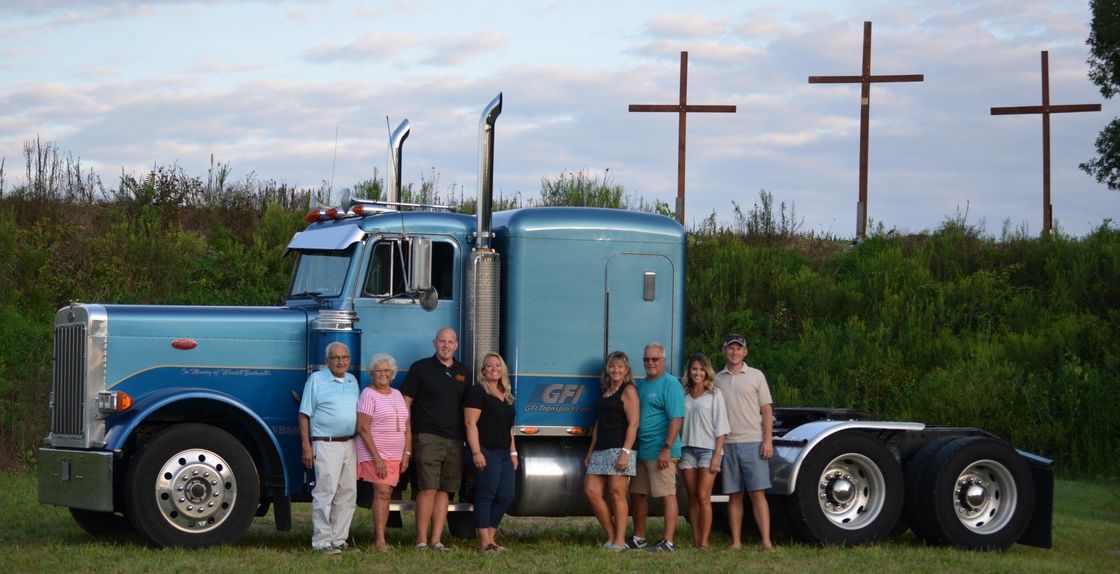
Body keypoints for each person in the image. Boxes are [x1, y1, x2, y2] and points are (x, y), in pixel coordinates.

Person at [401, 327, 469, 551]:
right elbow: (405, 403)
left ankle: (436, 540)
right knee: (427, 488)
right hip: (427, 437)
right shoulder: (420, 368)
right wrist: (407, 437)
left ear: (456, 345)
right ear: (434, 343)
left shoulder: (463, 372)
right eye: (442, 341)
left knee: (445, 491)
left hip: (455, 440)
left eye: (450, 342)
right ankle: (421, 540)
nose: (446, 345)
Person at [298, 341, 361, 554]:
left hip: (349, 443)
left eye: (344, 357)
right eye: (335, 357)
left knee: (347, 493)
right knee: (325, 492)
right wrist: (306, 445)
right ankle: (322, 542)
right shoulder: (316, 380)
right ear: (327, 361)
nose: (341, 361)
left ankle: (339, 539)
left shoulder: (352, 381)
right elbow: (304, 414)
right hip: (326, 444)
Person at [715, 333, 774, 550]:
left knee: (757, 493)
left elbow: (766, 410)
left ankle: (766, 541)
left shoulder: (756, 376)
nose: (735, 351)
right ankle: (736, 542)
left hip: (753, 442)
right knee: (734, 495)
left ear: (745, 352)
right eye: (731, 348)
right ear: (724, 351)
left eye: (739, 348)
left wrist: (767, 440)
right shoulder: (716, 379)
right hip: (728, 444)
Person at [628, 342, 686, 552]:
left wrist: (667, 448)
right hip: (642, 450)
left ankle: (668, 541)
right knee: (637, 493)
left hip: (662, 451)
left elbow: (677, 418)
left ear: (664, 361)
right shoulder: (641, 386)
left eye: (655, 359)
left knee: (667, 495)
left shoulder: (671, 384)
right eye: (646, 359)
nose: (650, 363)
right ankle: (639, 537)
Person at [583, 351, 640, 552]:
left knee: (617, 494)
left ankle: (620, 540)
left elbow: (633, 424)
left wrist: (625, 452)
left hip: (619, 448)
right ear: (607, 370)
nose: (616, 370)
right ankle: (611, 534)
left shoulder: (628, 390)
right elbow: (598, 425)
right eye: (612, 366)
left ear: (626, 370)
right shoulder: (605, 391)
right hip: (601, 449)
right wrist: (591, 451)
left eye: (620, 366)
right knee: (591, 490)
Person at [356, 353, 411, 552]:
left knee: (387, 494)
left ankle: (381, 538)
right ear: (371, 373)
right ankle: (379, 541)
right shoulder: (368, 394)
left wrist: (407, 454)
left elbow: (406, 426)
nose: (383, 374)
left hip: (396, 455)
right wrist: (377, 458)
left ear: (393, 374)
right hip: (375, 454)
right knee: (382, 492)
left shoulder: (397, 394)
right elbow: (362, 428)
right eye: (378, 370)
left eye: (387, 370)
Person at [464, 352, 518, 551]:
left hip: (504, 453)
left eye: (498, 365)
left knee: (506, 495)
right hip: (486, 451)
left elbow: (509, 429)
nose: (494, 368)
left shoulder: (507, 396)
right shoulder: (478, 392)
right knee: (486, 495)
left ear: (502, 369)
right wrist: (477, 452)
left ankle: (491, 538)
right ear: (482, 371)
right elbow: (470, 423)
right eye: (489, 365)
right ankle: (484, 542)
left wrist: (513, 453)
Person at [680, 353, 730, 549]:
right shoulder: (683, 394)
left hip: (708, 450)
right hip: (686, 450)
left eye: (701, 369)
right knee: (692, 498)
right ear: (689, 371)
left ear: (706, 371)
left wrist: (717, 454)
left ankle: (705, 542)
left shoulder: (714, 394)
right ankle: (696, 539)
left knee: (703, 496)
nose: (697, 373)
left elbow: (721, 427)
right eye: (694, 369)